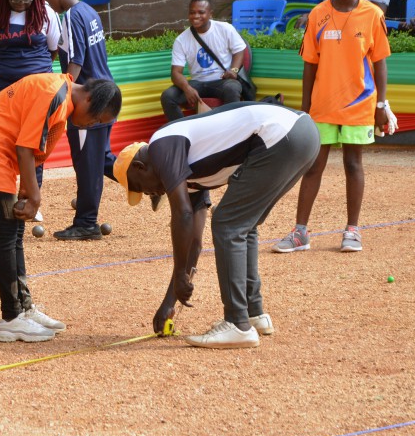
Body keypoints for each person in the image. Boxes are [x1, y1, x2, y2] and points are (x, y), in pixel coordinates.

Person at [114, 102, 320, 349]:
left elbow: (183, 214)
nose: (149, 194)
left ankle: (237, 324)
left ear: (140, 167)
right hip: (302, 135)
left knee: (227, 224)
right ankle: (252, 314)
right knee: (244, 225)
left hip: (282, 135)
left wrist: (180, 276)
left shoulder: (162, 145)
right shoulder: (187, 176)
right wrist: (170, 300)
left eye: (140, 187)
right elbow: (194, 241)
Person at [0, 73, 121, 342]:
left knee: (15, 231)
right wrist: (35, 197)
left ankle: (24, 308)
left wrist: (26, 189)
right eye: (97, 118)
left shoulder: (62, 96)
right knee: (5, 233)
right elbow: (25, 147)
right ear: (89, 99)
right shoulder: (55, 94)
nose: (92, 124)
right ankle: (11, 318)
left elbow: (29, 146)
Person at [274, 0, 393, 254]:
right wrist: (304, 109)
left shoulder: (373, 15)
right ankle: (300, 232)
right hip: (322, 105)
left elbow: (380, 63)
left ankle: (352, 230)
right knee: (313, 166)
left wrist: (381, 105)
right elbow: (309, 65)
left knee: (353, 164)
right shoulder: (318, 15)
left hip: (359, 104)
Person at [0, 0, 61, 221]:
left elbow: (53, 49)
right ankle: (0, 201)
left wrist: (33, 73)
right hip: (5, 88)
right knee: (0, 144)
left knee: (35, 145)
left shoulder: (46, 12)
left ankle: (29, 200)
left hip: (40, 91)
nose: (21, 3)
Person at [41, 0, 118, 241]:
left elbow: (75, 62)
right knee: (102, 160)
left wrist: (62, 97)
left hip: (87, 102)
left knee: (87, 165)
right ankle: (151, 181)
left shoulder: (72, 16)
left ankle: (86, 223)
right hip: (105, 95)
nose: (48, 4)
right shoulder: (89, 11)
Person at [160, 0, 247, 122]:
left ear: (210, 14)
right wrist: (187, 88)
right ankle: (182, 129)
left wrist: (233, 70)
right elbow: (175, 73)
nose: (196, 16)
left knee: (232, 88)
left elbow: (239, 50)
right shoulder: (181, 40)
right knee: (168, 96)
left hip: (222, 81)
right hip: (197, 83)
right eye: (192, 12)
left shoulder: (225, 29)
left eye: (201, 12)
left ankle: (231, 127)